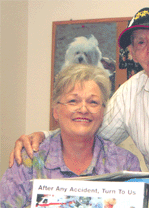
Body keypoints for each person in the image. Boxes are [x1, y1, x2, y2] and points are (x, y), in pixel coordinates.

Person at [9, 7, 149, 207]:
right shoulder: (128, 94)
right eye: (140, 43)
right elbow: (90, 128)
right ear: (131, 52)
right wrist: (43, 136)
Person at [0, 64, 141, 207]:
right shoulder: (28, 161)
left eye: (93, 102)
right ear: (55, 111)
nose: (83, 109)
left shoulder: (125, 164)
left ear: (102, 113)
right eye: (73, 101)